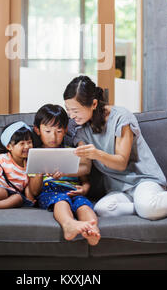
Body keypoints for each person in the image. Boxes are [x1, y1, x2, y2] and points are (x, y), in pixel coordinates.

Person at [63, 75, 167, 221]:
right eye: (68, 110)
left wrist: (97, 154)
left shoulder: (120, 118)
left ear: (93, 104)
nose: (71, 116)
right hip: (119, 188)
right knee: (102, 209)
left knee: (147, 207)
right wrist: (61, 170)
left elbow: (121, 162)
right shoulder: (81, 131)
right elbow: (85, 167)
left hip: (143, 180)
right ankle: (149, 205)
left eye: (76, 110)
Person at [28, 104, 101, 245]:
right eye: (48, 131)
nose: (53, 137)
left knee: (84, 205)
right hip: (50, 192)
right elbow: (34, 191)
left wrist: (85, 189)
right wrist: (40, 171)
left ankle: (92, 229)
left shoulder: (73, 151)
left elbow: (84, 179)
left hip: (74, 192)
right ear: (37, 130)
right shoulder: (36, 155)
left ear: (66, 130)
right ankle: (68, 224)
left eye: (59, 131)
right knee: (60, 200)